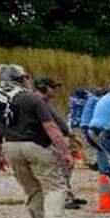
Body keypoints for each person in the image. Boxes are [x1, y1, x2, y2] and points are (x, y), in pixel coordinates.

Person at [0, 64, 74, 218]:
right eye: (27, 77)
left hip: (10, 147)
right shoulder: (31, 98)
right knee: (54, 186)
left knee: (31, 188)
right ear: (22, 78)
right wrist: (65, 151)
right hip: (37, 145)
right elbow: (51, 127)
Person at [32, 76, 86, 209]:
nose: (55, 90)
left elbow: (56, 121)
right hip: (49, 142)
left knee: (65, 169)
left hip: (55, 139)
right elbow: (50, 125)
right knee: (60, 169)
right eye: (53, 87)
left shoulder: (43, 102)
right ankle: (65, 198)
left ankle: (67, 195)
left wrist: (68, 134)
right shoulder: (38, 102)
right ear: (43, 87)